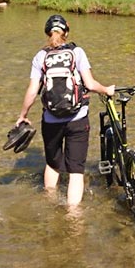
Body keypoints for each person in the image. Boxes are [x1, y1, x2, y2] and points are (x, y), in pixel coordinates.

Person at [15, 14, 114, 207]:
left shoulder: (41, 57)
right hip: (77, 118)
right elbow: (90, 84)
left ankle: (51, 207)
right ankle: (73, 217)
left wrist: (23, 115)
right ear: (66, 33)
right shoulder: (77, 53)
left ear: (47, 33)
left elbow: (33, 91)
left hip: (51, 120)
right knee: (76, 170)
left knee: (52, 165)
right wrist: (107, 90)